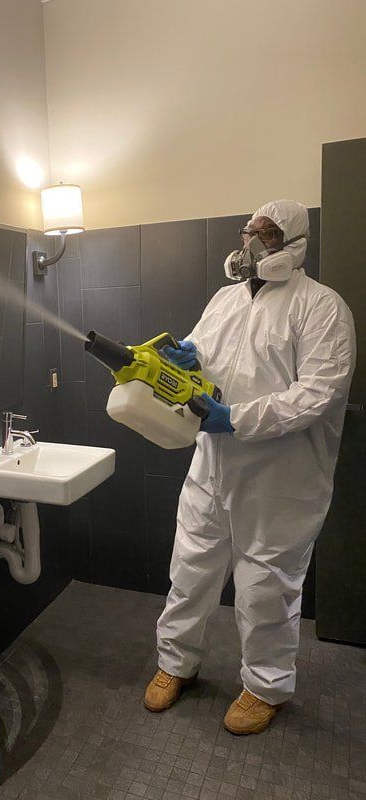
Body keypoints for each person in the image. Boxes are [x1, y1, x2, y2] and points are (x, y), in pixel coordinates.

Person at [144, 199, 356, 735]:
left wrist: (234, 418)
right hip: (212, 467)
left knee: (266, 586)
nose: (250, 244)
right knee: (189, 570)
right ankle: (175, 664)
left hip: (280, 480)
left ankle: (264, 686)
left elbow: (317, 396)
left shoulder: (322, 307)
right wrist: (187, 356)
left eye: (264, 233)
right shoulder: (224, 299)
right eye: (247, 232)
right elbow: (205, 353)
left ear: (293, 243)